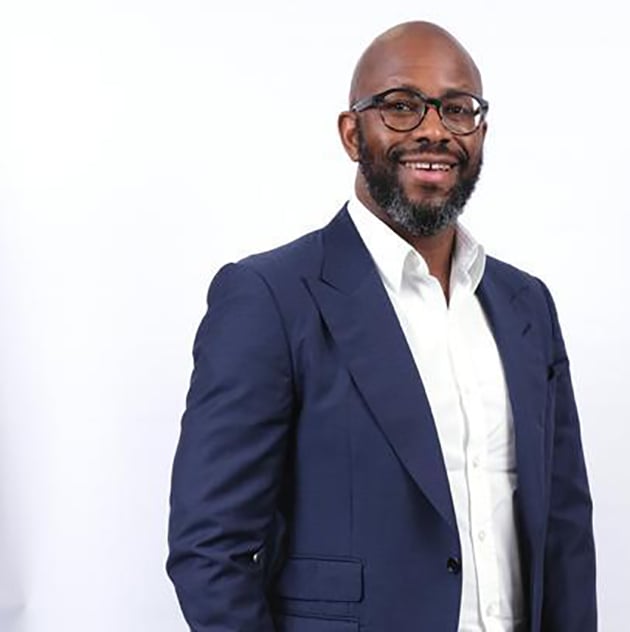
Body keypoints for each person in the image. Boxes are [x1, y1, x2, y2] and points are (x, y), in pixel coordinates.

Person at [167, 20, 596, 632]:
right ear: (352, 133)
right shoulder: (270, 298)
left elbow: (564, 531)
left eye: (457, 109)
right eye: (400, 106)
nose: (433, 130)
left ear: (480, 133)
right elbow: (211, 548)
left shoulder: (526, 305)